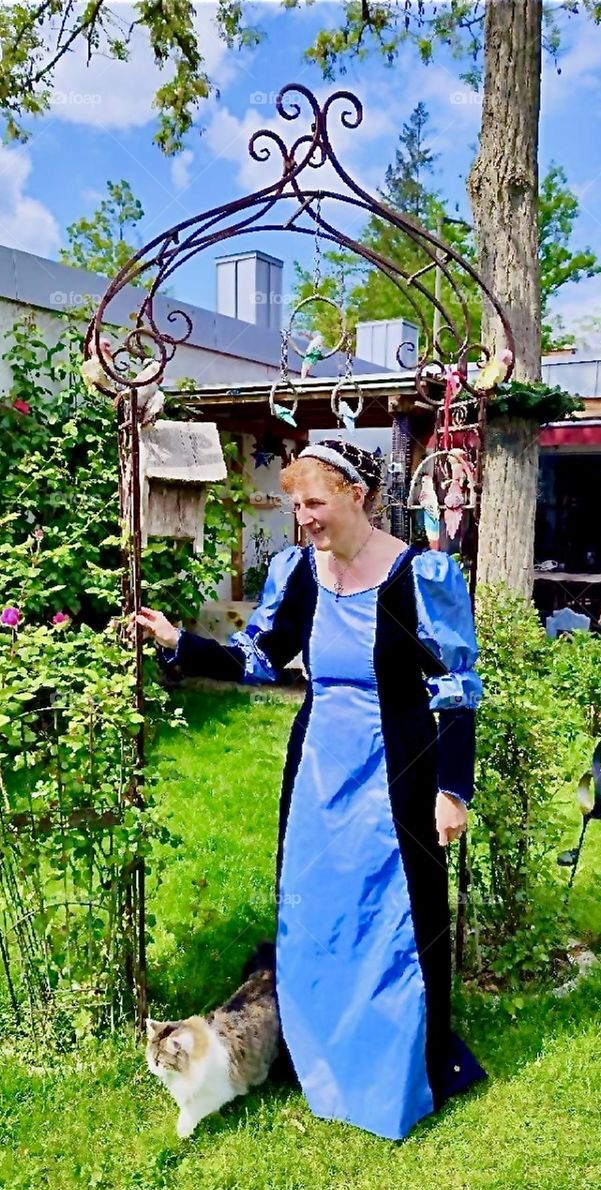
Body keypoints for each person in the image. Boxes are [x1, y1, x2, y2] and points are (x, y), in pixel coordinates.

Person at [133, 437, 487, 1141]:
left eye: (315, 502)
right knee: (317, 911)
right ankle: (315, 1055)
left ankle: (389, 1073)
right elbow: (259, 659)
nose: (303, 518)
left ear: (356, 495)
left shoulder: (425, 575)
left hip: (399, 772)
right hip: (320, 770)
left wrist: (453, 790)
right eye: (296, 505)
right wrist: (182, 643)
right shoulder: (297, 572)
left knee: (389, 919)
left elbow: (457, 688)